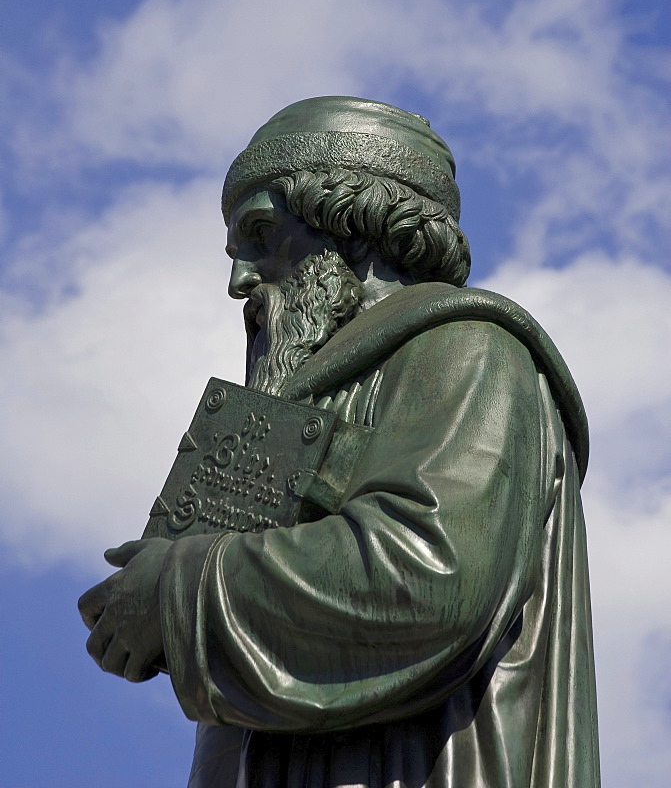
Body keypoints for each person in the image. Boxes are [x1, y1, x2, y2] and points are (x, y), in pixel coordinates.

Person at [79, 96, 600, 788]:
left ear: (355, 229)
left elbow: (425, 576)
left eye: (261, 233)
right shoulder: (319, 387)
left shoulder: (469, 351)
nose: (238, 281)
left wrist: (177, 592)